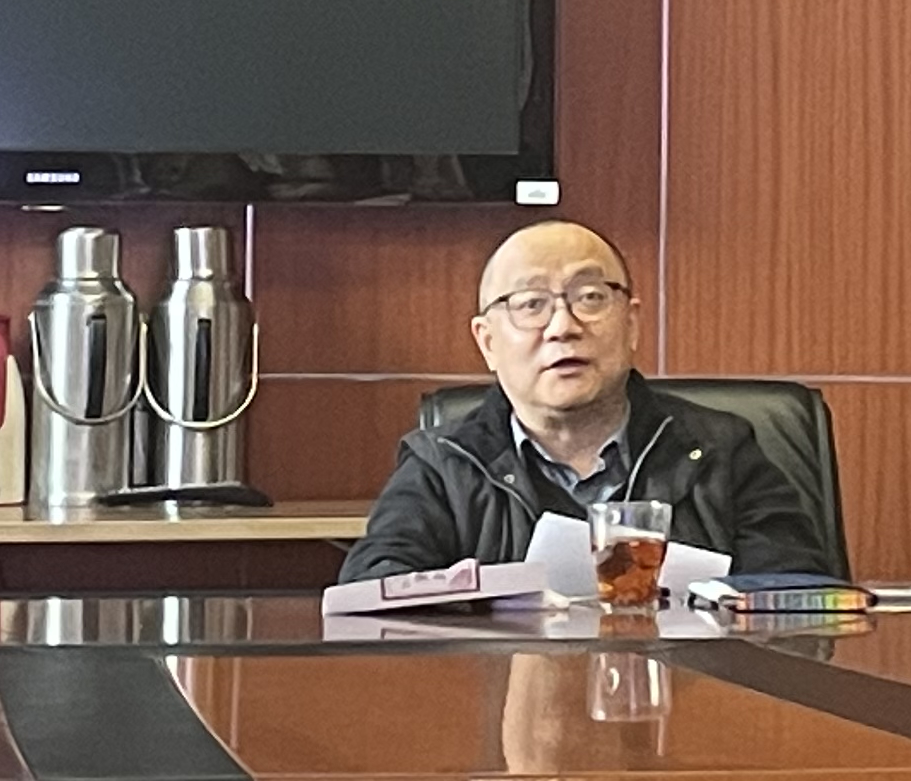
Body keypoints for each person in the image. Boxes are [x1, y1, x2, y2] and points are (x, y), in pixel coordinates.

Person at [342, 223, 825, 581]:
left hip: (685, 687)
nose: (563, 327)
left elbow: (796, 599)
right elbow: (372, 593)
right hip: (504, 688)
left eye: (590, 297)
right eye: (531, 304)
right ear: (487, 342)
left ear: (631, 324)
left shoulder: (721, 450)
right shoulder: (442, 465)